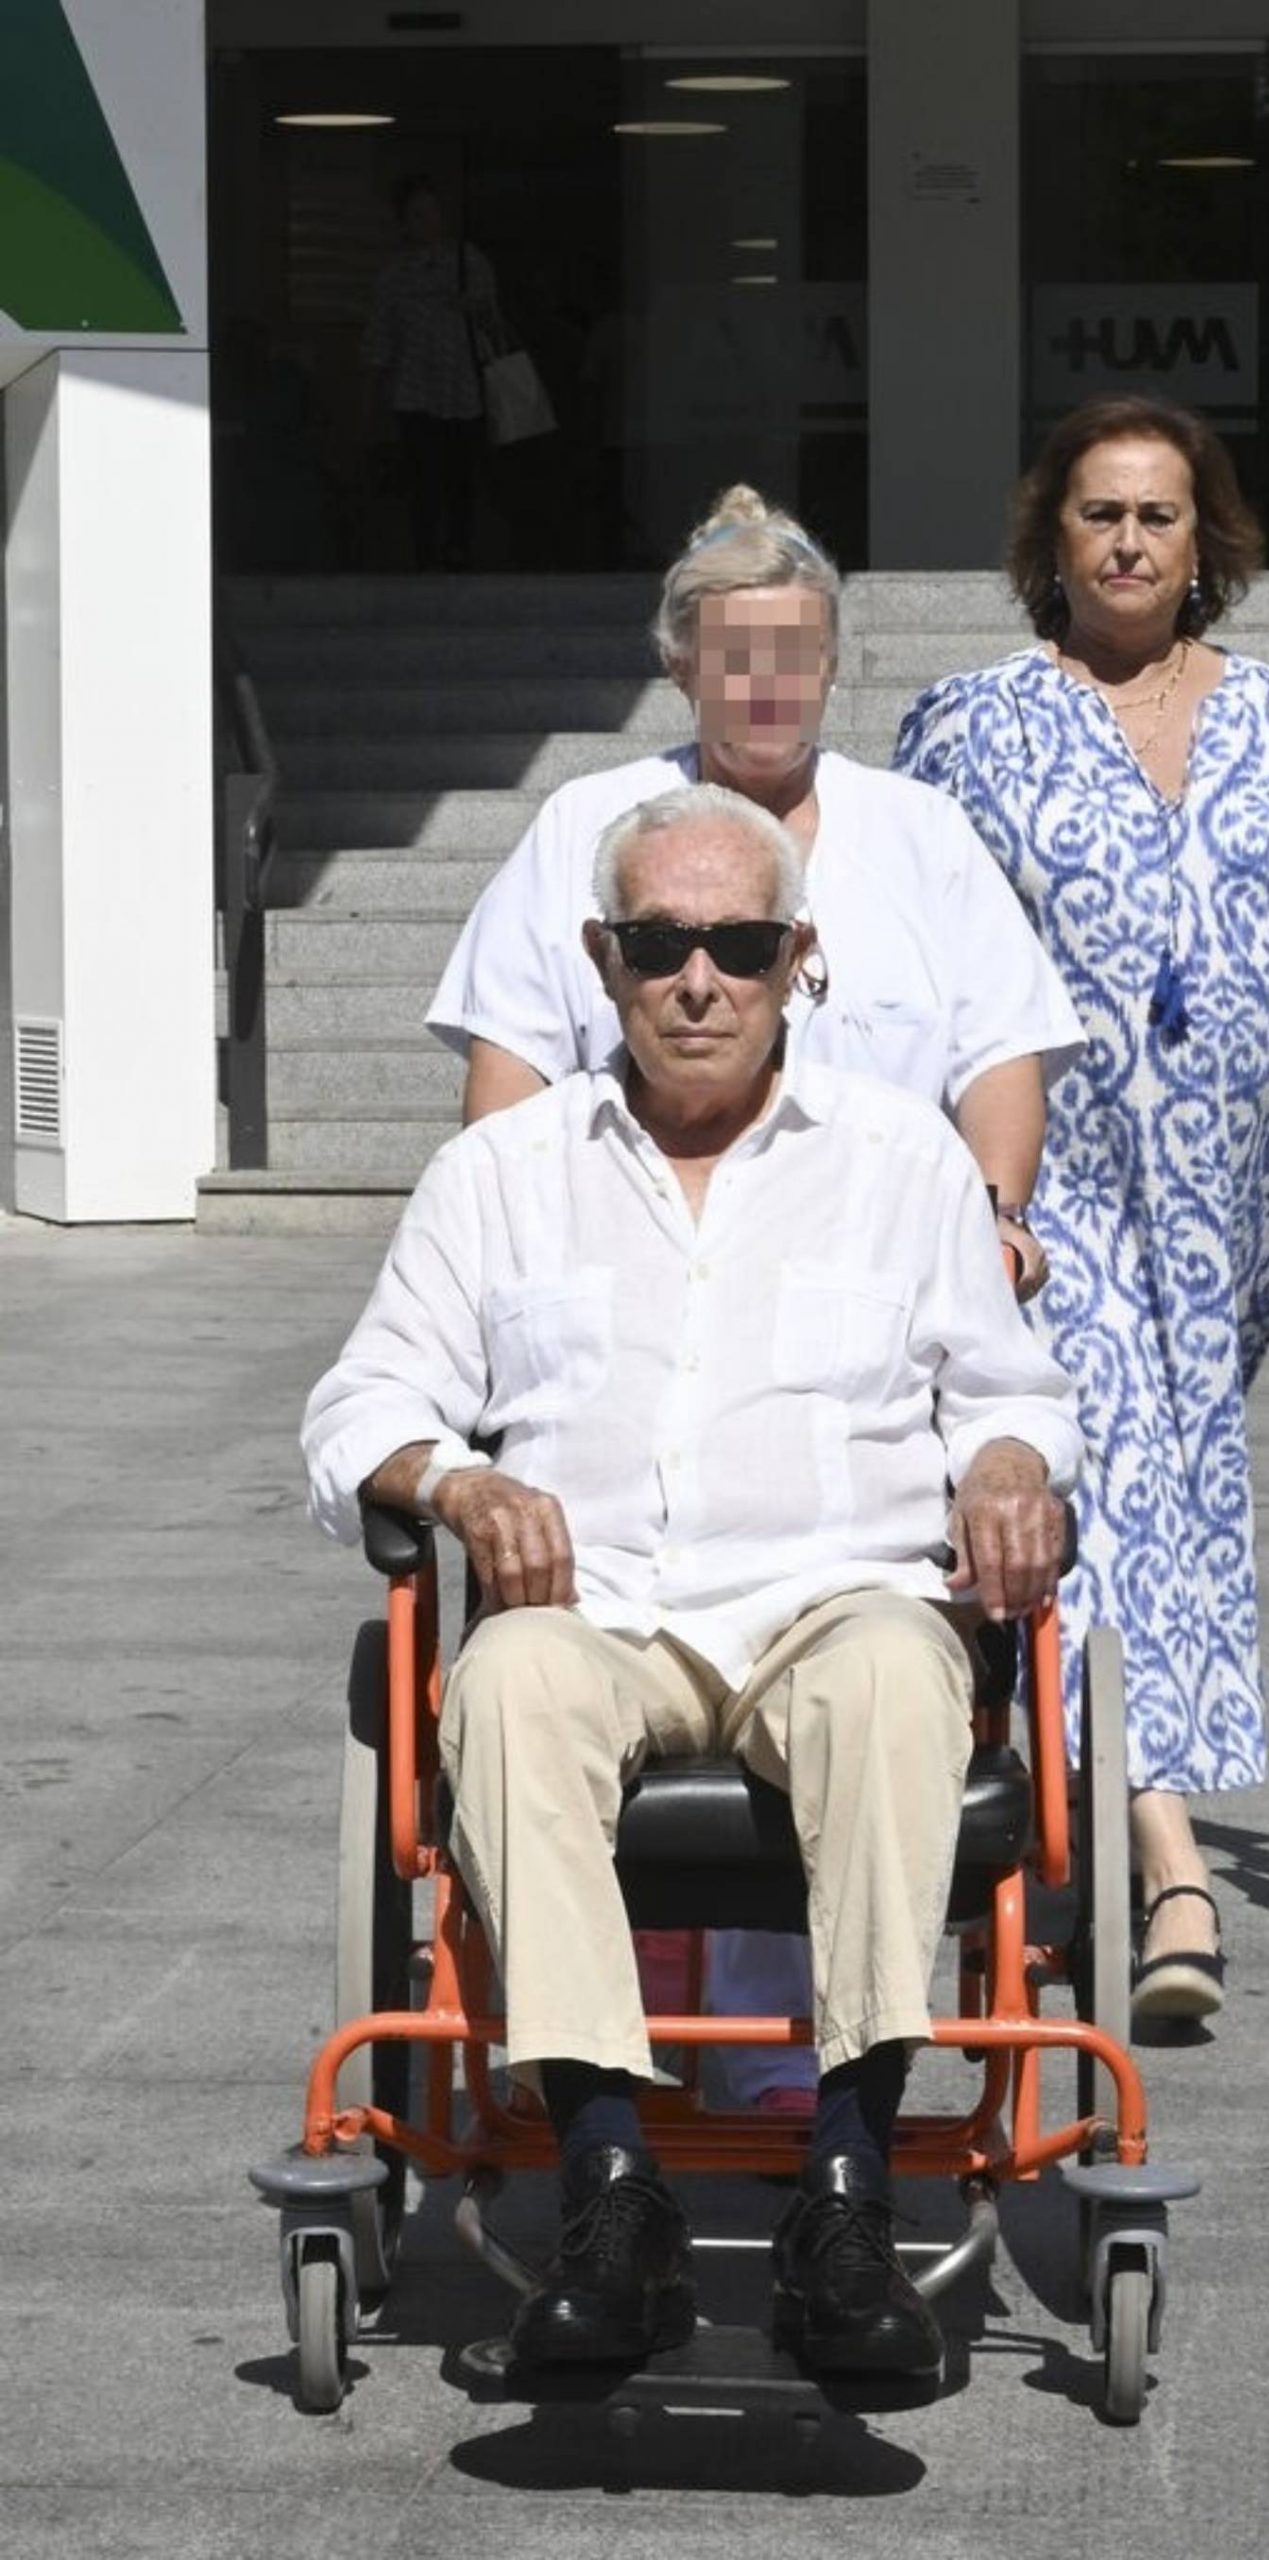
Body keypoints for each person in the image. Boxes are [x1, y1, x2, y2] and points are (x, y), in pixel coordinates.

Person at [303, 787, 1080, 2377]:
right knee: (504, 1675)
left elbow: (1015, 1392)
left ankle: (847, 2186)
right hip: (604, 1618)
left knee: (884, 1672)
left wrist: (1007, 1464)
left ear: (801, 957)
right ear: (602, 959)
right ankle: (610, 2187)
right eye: (662, 944)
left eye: (738, 943)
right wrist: (456, 1479)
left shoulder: (901, 1160)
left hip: (835, 1599)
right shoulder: (504, 1172)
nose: (700, 978)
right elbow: (358, 1403)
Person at [427, 483, 1083, 2106]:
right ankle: (621, 2062)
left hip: (873, 1323)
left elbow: (1003, 1055)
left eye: (798, 651)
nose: (769, 684)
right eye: (736, 654)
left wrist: (992, 1217)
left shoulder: (921, 841)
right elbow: (508, 1091)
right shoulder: (583, 825)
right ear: (679, 666)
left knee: (878, 1609)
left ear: (836, 664)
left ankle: (812, 2075)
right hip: (637, 1302)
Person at [893, 396, 1269, 2023]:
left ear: (1206, 541)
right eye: (1098, 515)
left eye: (1158, 515)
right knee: (1119, 1465)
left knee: (1173, 1471)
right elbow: (903, 941)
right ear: (1047, 541)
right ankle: (1169, 1857)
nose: (1130, 541)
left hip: (1240, 1198)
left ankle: (1061, 1809)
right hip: (1052, 1180)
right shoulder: (973, 725)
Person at [361, 176, 499, 569]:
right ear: (402, 222)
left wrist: (469, 307)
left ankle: (460, 547)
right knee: (421, 474)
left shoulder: (467, 261)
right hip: (413, 389)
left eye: (432, 213)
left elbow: (492, 315)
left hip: (464, 388)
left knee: (461, 474)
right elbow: (380, 338)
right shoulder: (392, 276)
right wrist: (370, 397)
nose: (427, 222)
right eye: (417, 214)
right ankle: (424, 550)